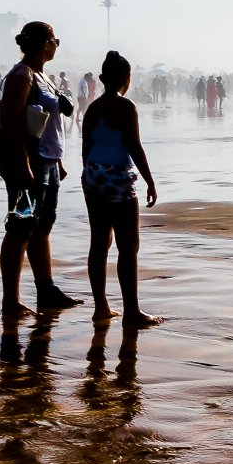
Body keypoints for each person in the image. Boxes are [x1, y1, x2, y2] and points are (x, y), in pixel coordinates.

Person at [0, 21, 80, 318]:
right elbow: (11, 122)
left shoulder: (41, 76)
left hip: (46, 160)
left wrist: (57, 162)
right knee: (20, 227)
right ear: (45, 44)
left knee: (42, 226)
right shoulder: (21, 76)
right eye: (55, 40)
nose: (56, 45)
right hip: (28, 162)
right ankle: (11, 300)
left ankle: (46, 289)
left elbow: (44, 123)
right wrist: (22, 163)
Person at [81, 51, 160, 328]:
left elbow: (85, 149)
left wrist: (90, 180)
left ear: (102, 79)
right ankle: (132, 312)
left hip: (92, 175)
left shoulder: (92, 109)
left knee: (99, 243)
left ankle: (101, 306)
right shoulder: (126, 107)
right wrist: (149, 180)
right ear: (128, 79)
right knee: (128, 246)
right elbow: (134, 146)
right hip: (116, 176)